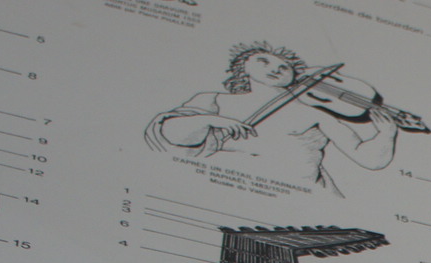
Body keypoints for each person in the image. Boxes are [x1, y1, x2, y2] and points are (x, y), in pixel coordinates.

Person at [146, 41, 399, 194]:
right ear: (242, 70)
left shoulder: (314, 113)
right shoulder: (214, 100)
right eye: (263, 61)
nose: (276, 67)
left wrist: (387, 135)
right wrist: (214, 120)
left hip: (299, 196)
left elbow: (368, 159)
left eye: (284, 65)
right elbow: (172, 134)